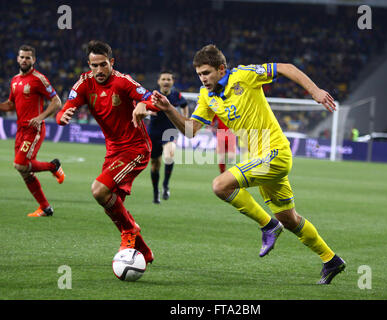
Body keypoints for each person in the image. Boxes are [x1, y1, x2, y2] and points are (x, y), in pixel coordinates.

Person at [144, 44, 345, 284]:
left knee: (220, 185)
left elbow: (286, 67)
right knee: (289, 219)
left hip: (275, 153)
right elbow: (190, 130)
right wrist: (168, 109)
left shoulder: (244, 76)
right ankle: (330, 259)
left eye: (206, 73)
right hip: (258, 160)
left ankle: (268, 225)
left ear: (221, 69)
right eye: (199, 74)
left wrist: (315, 91)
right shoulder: (206, 96)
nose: (203, 78)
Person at [56, 40, 156, 263]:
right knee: (111, 204)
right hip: (113, 152)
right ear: (88, 65)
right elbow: (66, 107)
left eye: (103, 65)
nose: (99, 71)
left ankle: (130, 232)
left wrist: (144, 104)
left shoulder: (123, 82)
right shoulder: (84, 84)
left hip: (136, 148)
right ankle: (144, 252)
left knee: (99, 190)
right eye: (94, 66)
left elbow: (151, 98)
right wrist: (62, 116)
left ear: (111, 62)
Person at [0, 45, 65, 217]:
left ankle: (53, 166)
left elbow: (57, 102)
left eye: (28, 57)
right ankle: (45, 207)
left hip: (34, 130)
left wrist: (41, 117)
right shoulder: (14, 80)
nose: (24, 60)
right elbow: (11, 104)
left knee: (19, 164)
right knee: (24, 171)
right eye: (22, 57)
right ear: (17, 58)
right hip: (20, 130)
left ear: (34, 60)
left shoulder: (39, 79)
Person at [148, 71, 188, 203]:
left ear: (172, 82)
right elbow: (143, 106)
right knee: (155, 164)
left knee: (169, 156)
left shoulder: (176, 95)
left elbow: (184, 105)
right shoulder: (152, 95)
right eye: (163, 79)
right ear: (159, 81)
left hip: (169, 131)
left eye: (168, 79)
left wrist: (185, 119)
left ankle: (165, 185)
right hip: (153, 133)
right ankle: (155, 191)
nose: (166, 81)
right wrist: (148, 111)